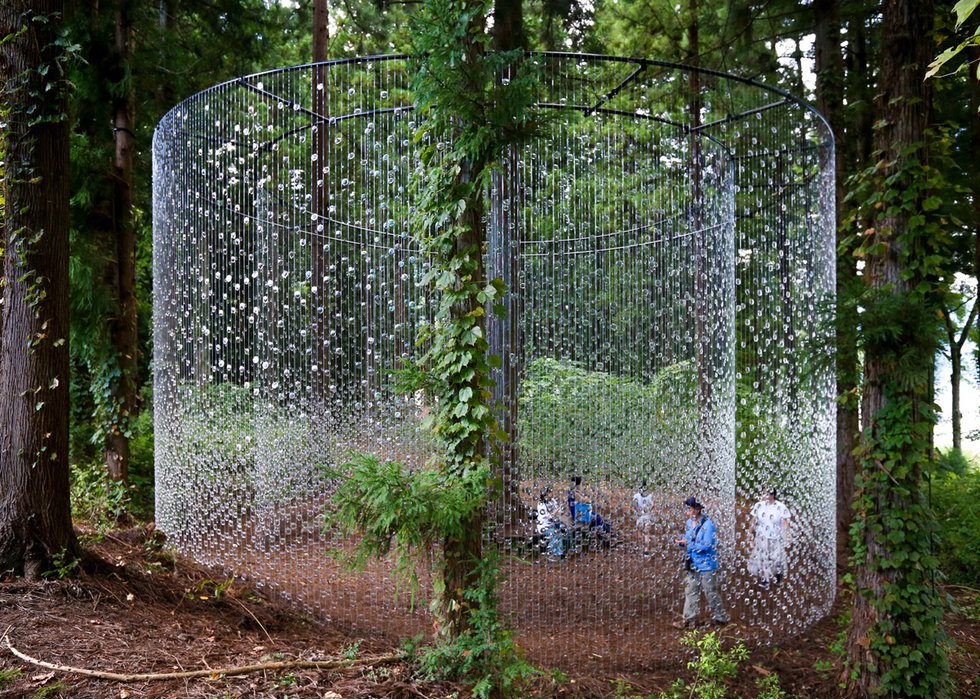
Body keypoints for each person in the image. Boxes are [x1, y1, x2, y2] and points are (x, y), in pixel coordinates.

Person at [672, 496, 730, 628]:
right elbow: (688, 539)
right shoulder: (688, 523)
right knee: (690, 591)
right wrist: (681, 542)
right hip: (693, 564)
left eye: (690, 508)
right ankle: (689, 619)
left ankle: (721, 618)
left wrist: (689, 544)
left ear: (697, 509)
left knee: (710, 592)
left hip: (706, 566)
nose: (687, 510)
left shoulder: (709, 526)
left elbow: (707, 546)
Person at [747, 489, 792, 589]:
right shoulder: (759, 505)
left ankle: (778, 577)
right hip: (762, 536)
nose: (764, 495)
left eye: (766, 493)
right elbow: (753, 520)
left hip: (776, 537)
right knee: (763, 558)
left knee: (777, 558)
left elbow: (784, 522)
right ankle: (765, 579)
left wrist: (788, 535)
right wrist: (749, 533)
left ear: (772, 495)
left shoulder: (780, 507)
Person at [536, 488, 566, 559]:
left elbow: (557, 512)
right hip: (544, 526)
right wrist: (555, 512)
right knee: (556, 534)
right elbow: (546, 516)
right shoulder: (541, 504)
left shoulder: (553, 501)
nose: (552, 494)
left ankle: (559, 552)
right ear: (546, 494)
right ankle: (552, 552)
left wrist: (561, 511)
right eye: (550, 492)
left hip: (554, 524)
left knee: (563, 532)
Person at [632, 482, 655, 555]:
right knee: (646, 533)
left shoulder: (636, 495)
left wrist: (637, 512)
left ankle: (640, 547)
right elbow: (653, 505)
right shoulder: (650, 495)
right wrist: (648, 511)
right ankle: (646, 550)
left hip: (639, 517)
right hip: (647, 516)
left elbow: (633, 506)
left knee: (639, 532)